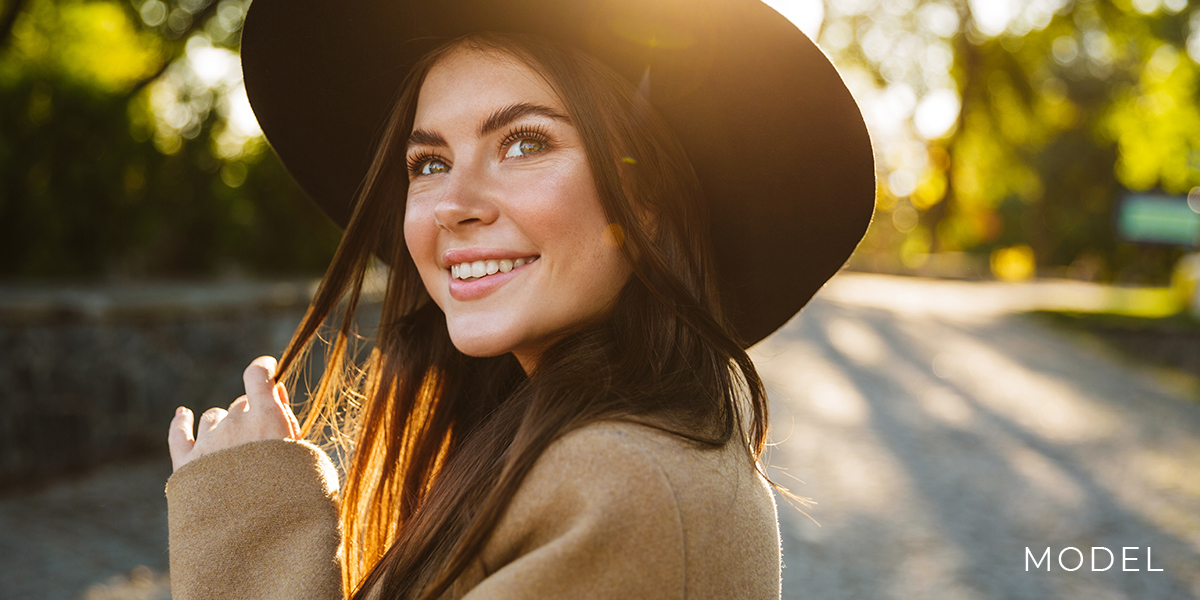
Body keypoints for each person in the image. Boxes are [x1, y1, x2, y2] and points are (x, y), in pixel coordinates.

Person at [164, 0, 875, 598]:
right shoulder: (577, 445)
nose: (453, 205)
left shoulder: (623, 487)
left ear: (647, 199)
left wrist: (252, 526)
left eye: (524, 143)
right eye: (431, 162)